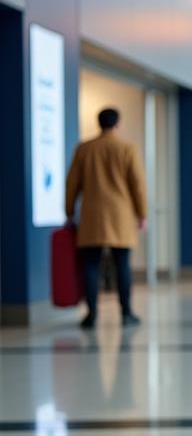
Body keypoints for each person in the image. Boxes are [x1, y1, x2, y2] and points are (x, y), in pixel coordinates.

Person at [65, 107, 147, 329]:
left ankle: (91, 314)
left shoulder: (84, 149)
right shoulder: (126, 149)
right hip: (120, 215)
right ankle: (126, 313)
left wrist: (69, 210)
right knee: (122, 264)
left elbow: (71, 183)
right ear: (118, 124)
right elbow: (137, 185)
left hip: (92, 215)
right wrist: (142, 214)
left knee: (90, 265)